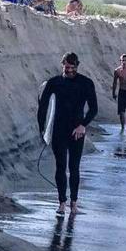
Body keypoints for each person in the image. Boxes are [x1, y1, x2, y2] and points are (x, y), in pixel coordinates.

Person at [37, 52, 98, 216]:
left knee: (74, 167)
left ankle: (74, 203)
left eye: (72, 67)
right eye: (66, 67)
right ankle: (62, 203)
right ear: (62, 65)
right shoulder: (54, 82)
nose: (69, 70)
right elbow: (42, 107)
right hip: (58, 130)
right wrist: (42, 129)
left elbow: (94, 109)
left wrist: (83, 126)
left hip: (76, 131)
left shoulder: (86, 83)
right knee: (60, 166)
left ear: (77, 66)